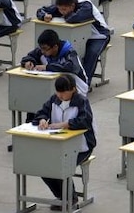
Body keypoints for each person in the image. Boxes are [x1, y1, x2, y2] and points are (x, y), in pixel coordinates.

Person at [32, 75, 95, 210]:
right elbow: (41, 113)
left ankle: (71, 198)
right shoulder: (54, 100)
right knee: (42, 167)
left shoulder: (81, 101)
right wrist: (42, 119)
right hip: (57, 145)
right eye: (58, 91)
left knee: (62, 165)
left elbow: (85, 121)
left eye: (63, 92)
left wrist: (64, 124)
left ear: (73, 89)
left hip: (81, 147)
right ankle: (61, 196)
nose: (60, 95)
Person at [36, 0, 111, 86]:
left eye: (64, 9)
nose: (61, 12)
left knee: (91, 52)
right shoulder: (61, 6)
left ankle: (85, 82)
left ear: (72, 6)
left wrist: (61, 15)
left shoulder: (85, 5)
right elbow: (40, 10)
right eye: (59, 9)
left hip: (99, 35)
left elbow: (74, 18)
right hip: (78, 34)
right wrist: (44, 16)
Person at [21, 29, 89, 96]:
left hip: (78, 85)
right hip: (55, 84)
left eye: (45, 49)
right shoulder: (42, 51)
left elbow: (72, 68)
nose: (42, 51)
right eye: (41, 48)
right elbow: (28, 57)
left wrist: (47, 67)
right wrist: (28, 62)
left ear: (55, 47)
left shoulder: (69, 52)